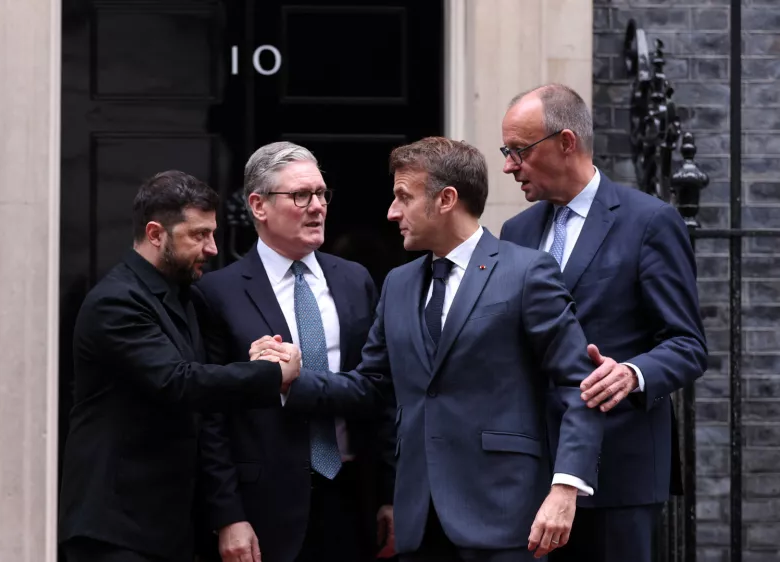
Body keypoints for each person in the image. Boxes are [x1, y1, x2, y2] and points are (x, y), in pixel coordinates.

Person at [294, 136, 612, 562]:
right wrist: (292, 379)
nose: (392, 212)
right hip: (419, 522)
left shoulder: (526, 272)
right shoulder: (398, 284)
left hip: (507, 515)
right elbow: (372, 387)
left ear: (446, 199)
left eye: (403, 197)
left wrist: (565, 487)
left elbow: (578, 385)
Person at [498, 84, 708, 562]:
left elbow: (688, 344)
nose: (509, 166)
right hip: (531, 471)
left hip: (619, 470)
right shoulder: (516, 231)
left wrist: (633, 373)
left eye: (518, 151)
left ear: (566, 143)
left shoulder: (649, 221)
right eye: (505, 152)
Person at [57, 170, 302, 562]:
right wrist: (274, 374)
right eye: (199, 235)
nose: (213, 248)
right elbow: (178, 382)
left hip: (165, 527)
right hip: (116, 530)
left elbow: (199, 374)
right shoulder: (116, 302)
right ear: (156, 234)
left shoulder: (181, 295)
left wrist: (255, 355)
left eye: (212, 233)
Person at [193, 142, 395, 562]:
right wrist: (228, 515)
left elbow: (383, 393)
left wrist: (391, 495)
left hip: (353, 497)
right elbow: (210, 418)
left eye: (321, 194)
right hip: (263, 507)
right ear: (258, 205)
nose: (317, 206)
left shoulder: (356, 280)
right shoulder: (218, 293)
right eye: (301, 195)